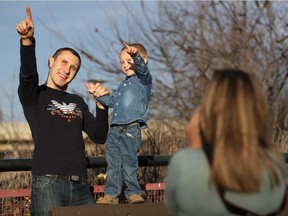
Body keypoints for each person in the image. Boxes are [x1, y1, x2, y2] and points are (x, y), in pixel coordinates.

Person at [16, 7, 109, 215]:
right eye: (64, 62)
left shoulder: (78, 101)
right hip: (48, 183)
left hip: (81, 187)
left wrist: (102, 106)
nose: (67, 69)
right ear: (51, 62)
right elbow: (28, 75)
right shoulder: (34, 96)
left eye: (73, 68)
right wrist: (27, 42)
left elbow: (100, 136)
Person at [165, 69, 287, 216]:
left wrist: (195, 144)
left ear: (208, 109)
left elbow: (173, 207)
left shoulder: (183, 163)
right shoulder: (273, 165)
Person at [95, 41, 153, 204]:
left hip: (130, 129)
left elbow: (143, 70)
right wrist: (98, 96)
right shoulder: (123, 85)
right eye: (122, 62)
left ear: (144, 60)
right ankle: (111, 195)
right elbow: (112, 100)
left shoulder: (143, 81)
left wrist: (136, 56)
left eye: (129, 61)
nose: (125, 65)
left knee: (129, 164)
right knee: (113, 165)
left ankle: (133, 193)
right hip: (114, 130)